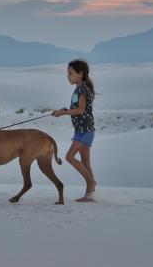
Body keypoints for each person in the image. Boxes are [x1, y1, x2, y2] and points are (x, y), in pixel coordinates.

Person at [52, 59, 97, 202]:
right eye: (67, 73)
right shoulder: (78, 89)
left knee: (69, 157)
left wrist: (63, 113)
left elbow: (80, 110)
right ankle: (90, 194)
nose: (68, 76)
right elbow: (77, 108)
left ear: (80, 74)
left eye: (70, 73)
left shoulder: (82, 89)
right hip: (82, 129)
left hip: (85, 130)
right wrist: (64, 110)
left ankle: (90, 182)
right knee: (85, 162)